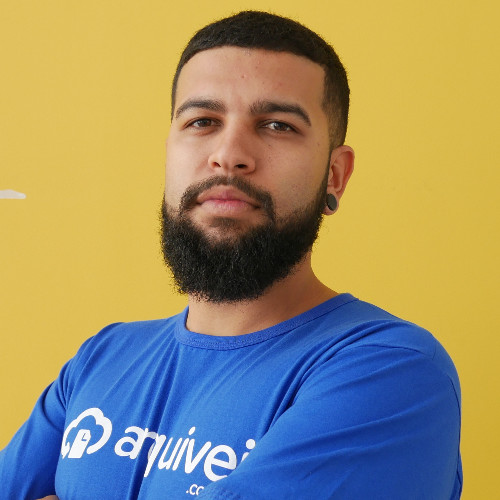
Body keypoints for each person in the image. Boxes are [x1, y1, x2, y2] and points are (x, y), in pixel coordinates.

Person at [0, 11, 462, 499]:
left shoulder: (392, 372)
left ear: (335, 175)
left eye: (277, 125)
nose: (229, 154)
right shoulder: (102, 358)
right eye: (202, 121)